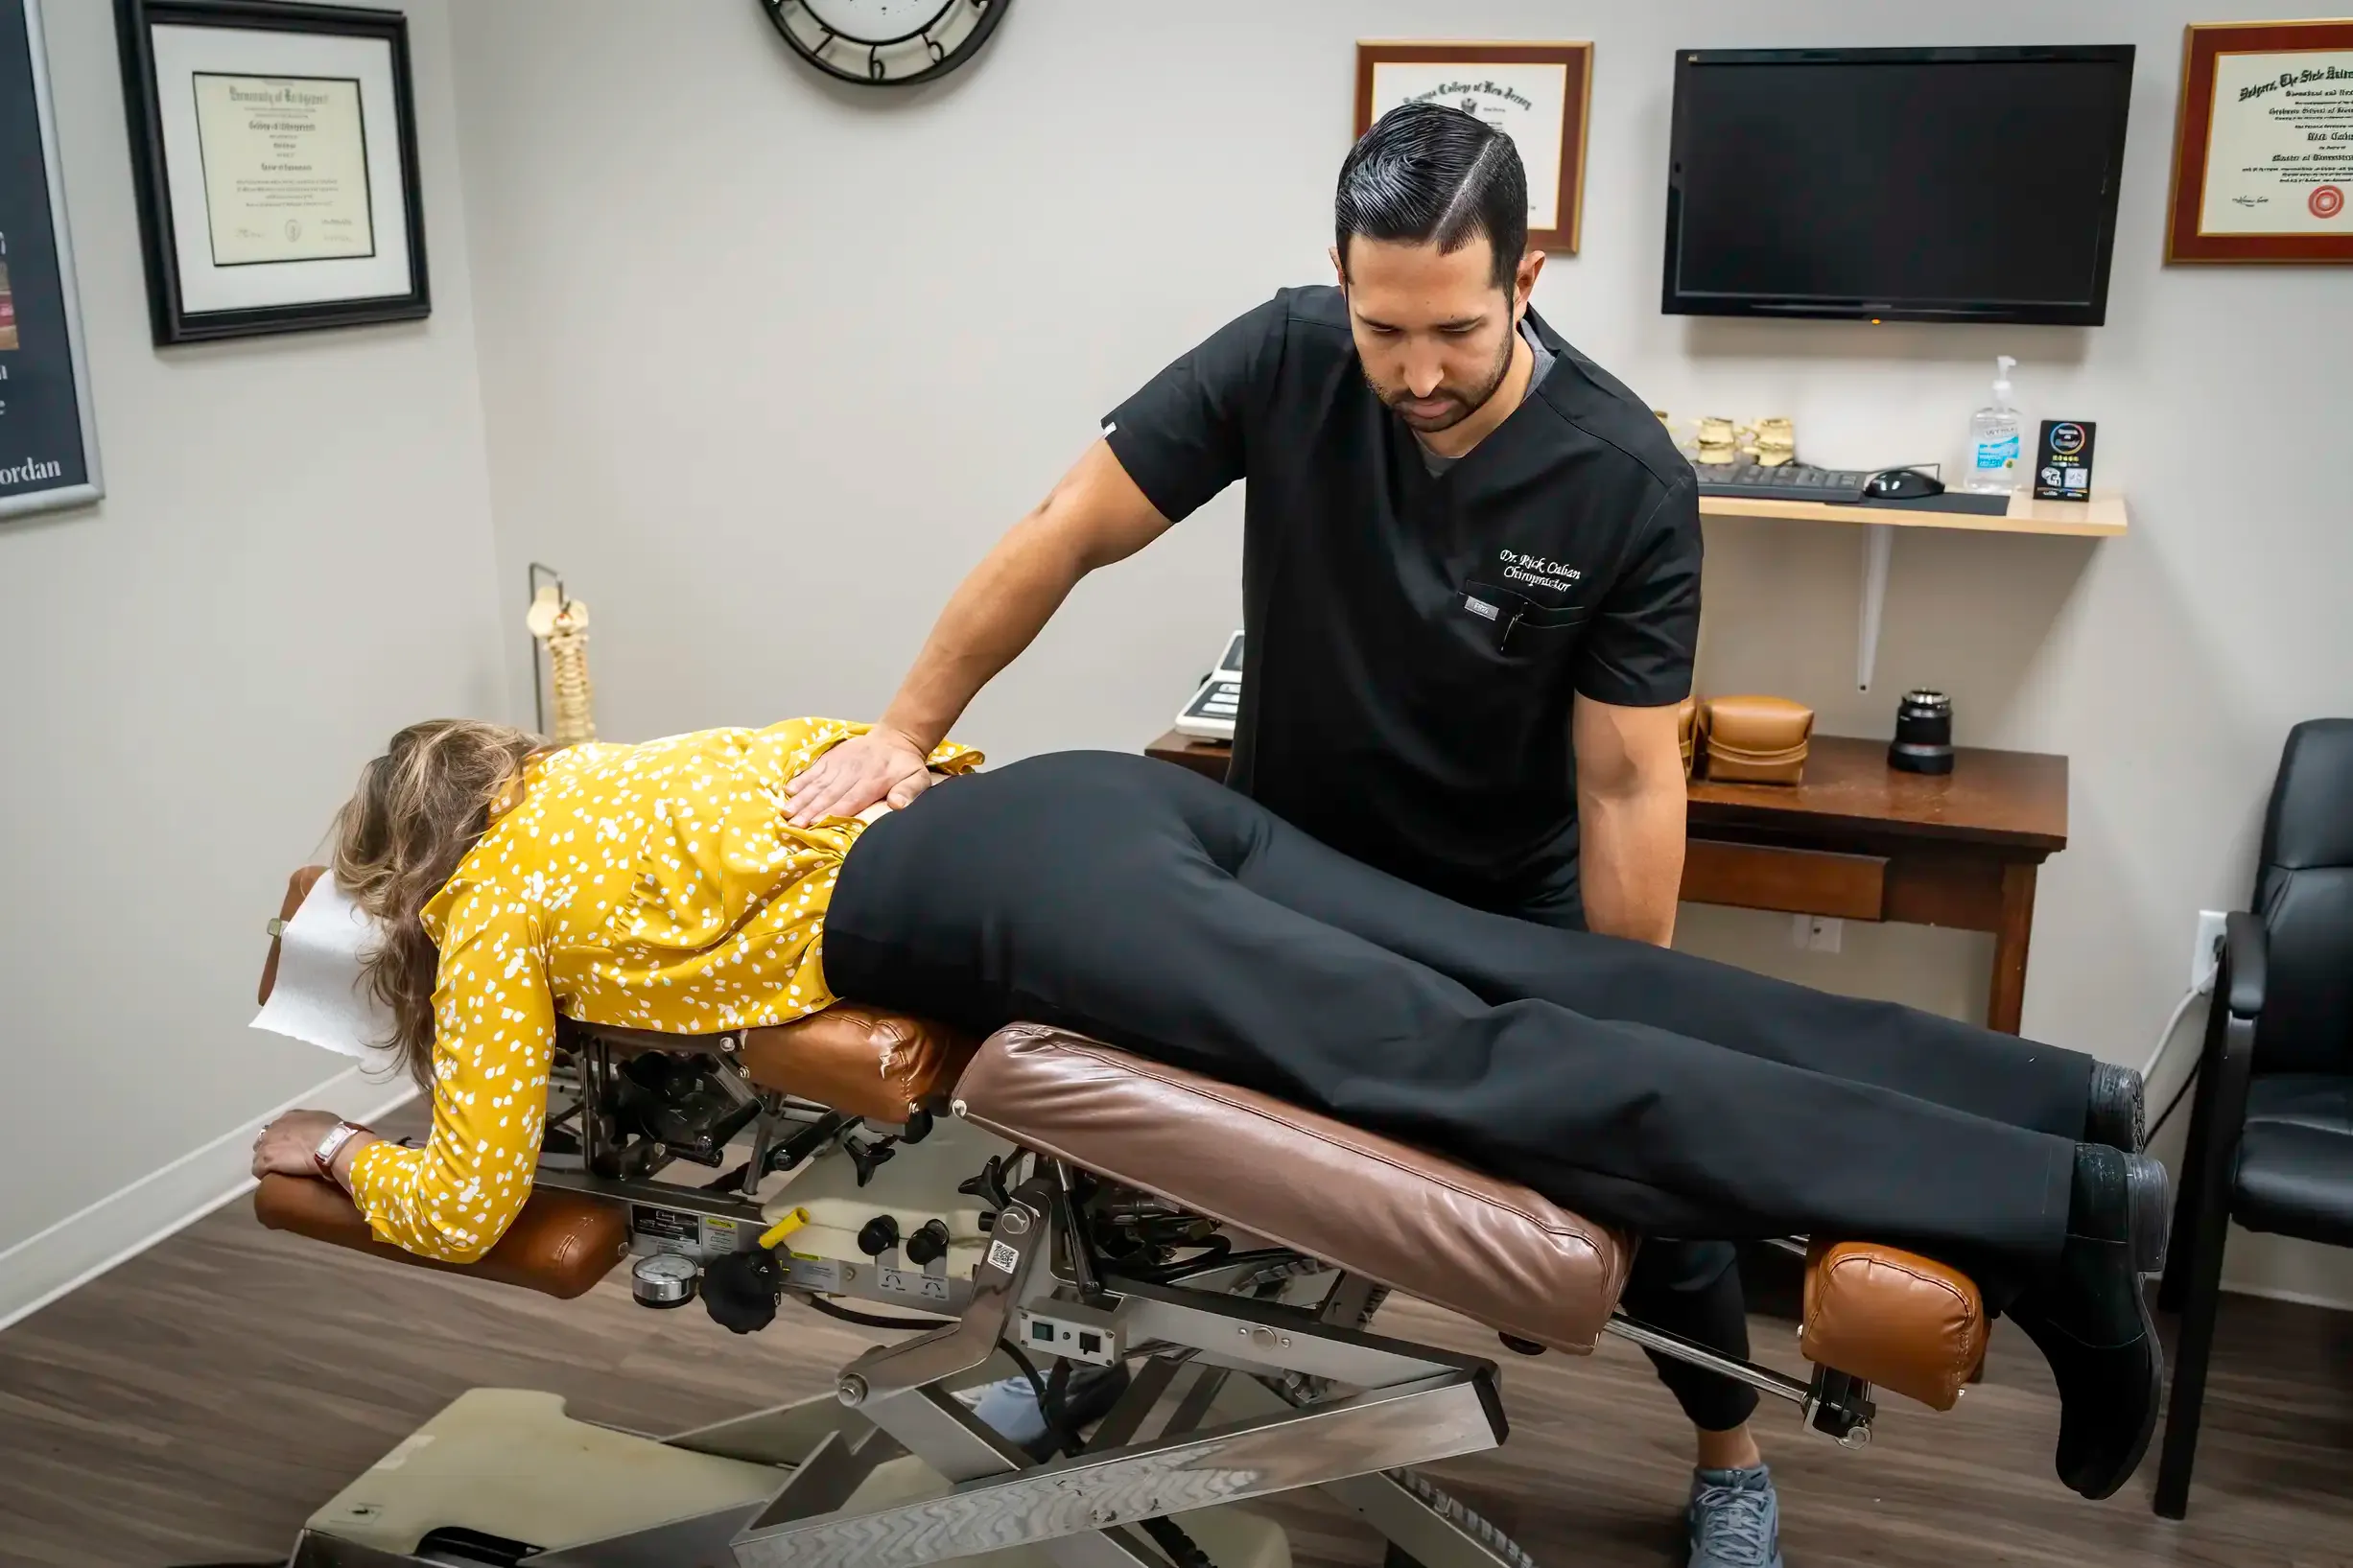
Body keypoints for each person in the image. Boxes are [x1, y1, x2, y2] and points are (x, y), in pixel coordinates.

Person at [258, 717, 2166, 1520]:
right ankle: (2047, 1105)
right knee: (1561, 982)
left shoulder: (487, 902)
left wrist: (353, 1149)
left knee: (1479, 1066)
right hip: (1099, 798)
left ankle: (2049, 1217)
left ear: (404, 861)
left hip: (1038, 903)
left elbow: (471, 1186)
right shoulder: (605, 771)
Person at [780, 100, 1775, 1560]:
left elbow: (1628, 783)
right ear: (1338, 279)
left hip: (1499, 896)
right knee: (1121, 1117)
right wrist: (902, 731)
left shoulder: (1620, 478)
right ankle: (1072, 1360)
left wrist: (1627, 1006)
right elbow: (1068, 526)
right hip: (1280, 862)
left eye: (1458, 330)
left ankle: (1731, 1454)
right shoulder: (1284, 357)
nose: (1419, 374)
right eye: (1386, 329)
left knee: (1650, 1165)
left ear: (1527, 277)